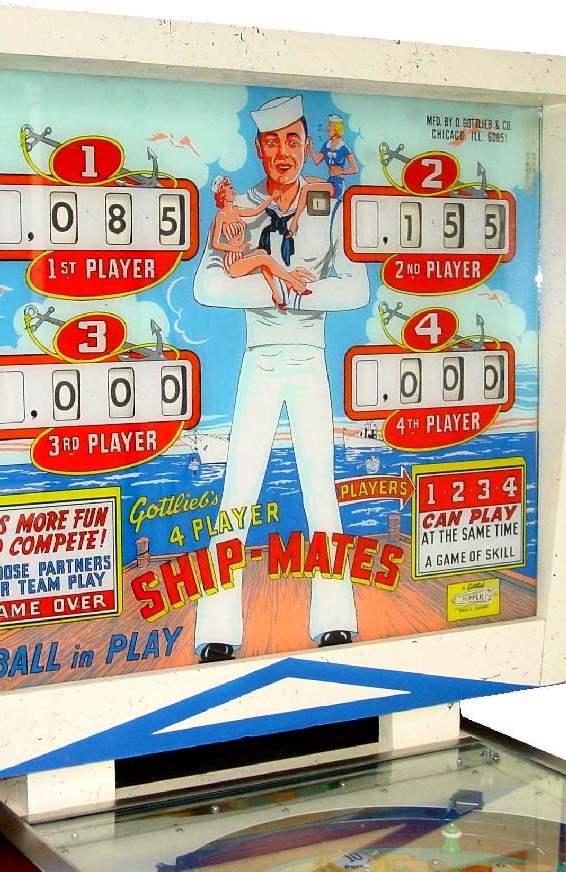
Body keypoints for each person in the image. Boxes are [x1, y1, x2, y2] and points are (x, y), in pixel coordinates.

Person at [193, 95, 370, 663]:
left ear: (307, 145)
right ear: (259, 148)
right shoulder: (240, 208)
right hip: (261, 359)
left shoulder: (328, 206)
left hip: (309, 360)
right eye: (272, 142)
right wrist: (275, 285)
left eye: (293, 140)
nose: (284, 152)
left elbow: (356, 288)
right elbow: (208, 285)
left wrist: (294, 295)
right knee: (238, 490)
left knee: (322, 489)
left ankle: (335, 620)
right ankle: (217, 630)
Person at [209, 174, 310, 311]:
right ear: (222, 194)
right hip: (232, 264)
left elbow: (256, 211)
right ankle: (295, 284)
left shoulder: (236, 211)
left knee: (262, 252)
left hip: (240, 258)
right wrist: (235, 249)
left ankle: (276, 294)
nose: (233, 191)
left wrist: (272, 197)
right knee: (264, 259)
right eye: (230, 188)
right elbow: (215, 243)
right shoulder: (221, 215)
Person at [309, 113, 358, 199]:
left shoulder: (343, 147)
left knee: (309, 188)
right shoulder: (327, 145)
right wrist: (310, 147)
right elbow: (316, 161)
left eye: (330, 126)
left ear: (336, 129)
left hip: (338, 185)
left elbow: (355, 169)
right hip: (329, 181)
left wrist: (341, 172)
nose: (327, 128)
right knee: (308, 179)